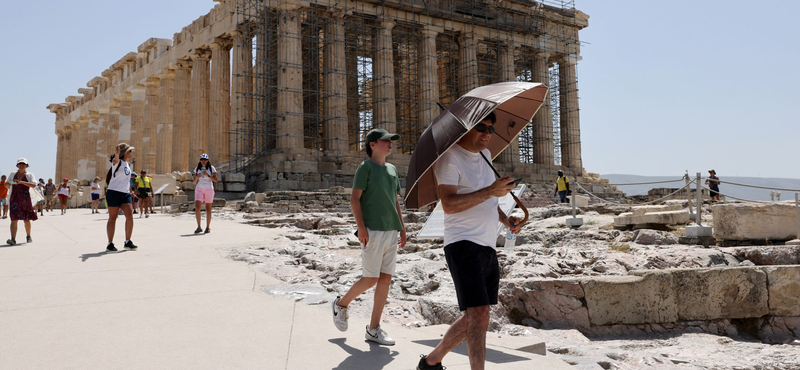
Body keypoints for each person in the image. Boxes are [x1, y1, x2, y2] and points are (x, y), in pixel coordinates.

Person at [418, 112, 520, 370]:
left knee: (477, 317)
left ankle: (431, 362)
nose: (487, 133)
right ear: (464, 129)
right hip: (462, 244)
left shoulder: (486, 157)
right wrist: (490, 191)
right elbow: (449, 205)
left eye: (491, 129)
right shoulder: (448, 159)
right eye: (481, 128)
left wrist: (505, 219)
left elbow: (488, 200)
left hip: (487, 244)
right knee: (479, 314)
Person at [331, 128, 407, 346]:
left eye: (392, 141)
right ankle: (341, 304)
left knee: (385, 279)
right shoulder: (365, 168)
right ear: (372, 144)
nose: (390, 144)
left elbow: (394, 200)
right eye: (386, 141)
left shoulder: (392, 169)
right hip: (372, 230)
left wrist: (402, 227)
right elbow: (355, 199)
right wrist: (361, 228)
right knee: (370, 278)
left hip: (391, 230)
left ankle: (374, 329)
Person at [106, 143, 138, 252]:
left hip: (125, 193)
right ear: (125, 153)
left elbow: (127, 180)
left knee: (129, 215)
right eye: (129, 151)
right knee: (113, 218)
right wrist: (117, 154)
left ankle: (128, 241)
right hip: (114, 192)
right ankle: (110, 243)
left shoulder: (128, 164)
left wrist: (131, 192)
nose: (131, 153)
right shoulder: (117, 162)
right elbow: (114, 161)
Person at [6, 158, 39, 245]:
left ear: (26, 166)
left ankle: (28, 236)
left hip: (25, 199)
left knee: (26, 219)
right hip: (14, 199)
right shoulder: (13, 174)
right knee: (14, 219)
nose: (21, 165)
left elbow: (34, 184)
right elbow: (6, 184)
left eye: (23, 164)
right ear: (17, 165)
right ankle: (13, 239)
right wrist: (11, 183)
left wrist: (21, 182)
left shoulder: (29, 175)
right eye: (20, 164)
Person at [192, 154, 217, 234]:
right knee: (197, 208)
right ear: (200, 160)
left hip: (209, 189)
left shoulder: (212, 168)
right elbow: (194, 182)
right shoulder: (197, 169)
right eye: (202, 159)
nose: (203, 161)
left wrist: (208, 175)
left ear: (208, 160)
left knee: (208, 209)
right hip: (199, 189)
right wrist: (197, 177)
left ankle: (208, 227)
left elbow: (216, 180)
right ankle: (199, 227)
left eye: (205, 159)